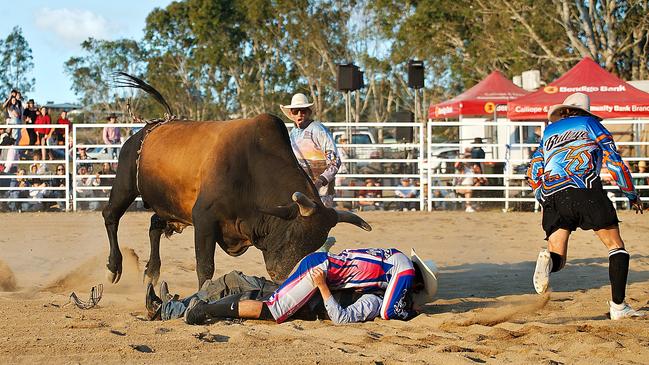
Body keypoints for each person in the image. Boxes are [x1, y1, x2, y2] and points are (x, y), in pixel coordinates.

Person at [526, 93, 644, 320]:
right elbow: (614, 161)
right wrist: (630, 193)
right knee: (615, 246)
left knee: (558, 256)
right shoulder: (591, 124)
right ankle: (619, 307)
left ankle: (547, 262)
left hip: (554, 195)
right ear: (585, 111)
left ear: (564, 112)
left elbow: (533, 170)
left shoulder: (549, 132)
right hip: (586, 189)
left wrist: (544, 196)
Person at [183, 248, 438, 325]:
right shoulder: (404, 271)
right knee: (274, 310)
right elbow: (388, 311)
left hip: (323, 265)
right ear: (417, 282)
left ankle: (210, 306)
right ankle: (205, 310)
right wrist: (411, 312)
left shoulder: (394, 258)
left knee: (270, 293)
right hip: (321, 271)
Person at [280, 93, 341, 208]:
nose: (300, 114)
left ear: (308, 112)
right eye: (296, 111)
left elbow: (335, 161)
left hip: (321, 192)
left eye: (303, 111)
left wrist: (320, 181)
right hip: (303, 189)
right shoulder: (293, 133)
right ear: (291, 114)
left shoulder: (318, 130)